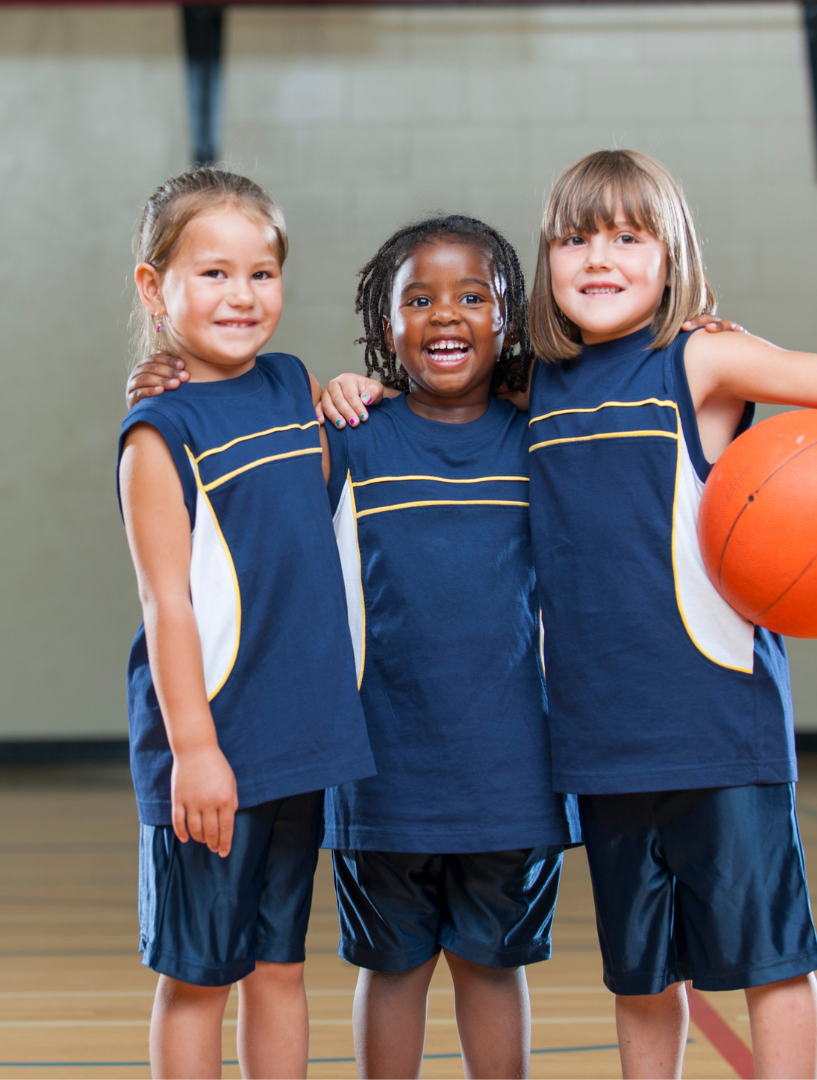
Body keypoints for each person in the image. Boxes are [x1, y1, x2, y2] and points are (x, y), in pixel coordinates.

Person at [518, 149, 817, 1080]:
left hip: (718, 724)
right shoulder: (535, 387)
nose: (598, 259)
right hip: (597, 738)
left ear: (671, 260)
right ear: (546, 263)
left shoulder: (700, 358)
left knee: (770, 958)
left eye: (627, 238)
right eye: (574, 239)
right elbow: (427, 387)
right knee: (639, 978)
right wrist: (347, 391)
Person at [118, 167, 374, 1080]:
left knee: (279, 968)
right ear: (157, 288)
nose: (242, 294)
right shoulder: (158, 432)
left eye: (261, 273)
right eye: (214, 272)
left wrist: (348, 388)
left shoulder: (290, 384)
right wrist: (195, 748)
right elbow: (167, 603)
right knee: (199, 977)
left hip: (300, 741)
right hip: (212, 752)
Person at [321, 216, 579, 1079]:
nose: (446, 315)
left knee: (491, 968)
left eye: (474, 296)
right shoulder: (352, 436)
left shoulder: (540, 436)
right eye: (419, 298)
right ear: (384, 326)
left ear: (509, 318)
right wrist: (161, 377)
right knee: (391, 970)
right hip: (382, 769)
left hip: (513, 772)